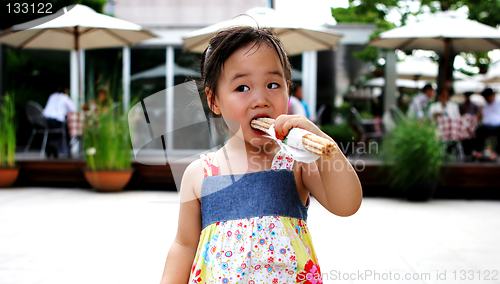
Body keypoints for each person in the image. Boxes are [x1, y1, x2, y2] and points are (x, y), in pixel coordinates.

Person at [159, 26, 362, 283]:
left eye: (273, 84)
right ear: (214, 101)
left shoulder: (296, 162)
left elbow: (347, 205)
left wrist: (322, 144)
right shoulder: (199, 174)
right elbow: (184, 245)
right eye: (242, 87)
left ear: (288, 90)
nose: (260, 99)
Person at [42, 87, 76, 158]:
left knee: (52, 134)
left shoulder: (52, 96)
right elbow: (73, 109)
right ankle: (67, 151)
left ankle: (52, 148)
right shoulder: (65, 98)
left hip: (46, 122)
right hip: (57, 122)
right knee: (66, 131)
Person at [472, 88, 500, 161]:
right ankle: (479, 151)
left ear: (492, 95)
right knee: (478, 130)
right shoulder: (484, 106)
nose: (486, 99)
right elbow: (478, 118)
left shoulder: (498, 103)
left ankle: (497, 153)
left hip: (497, 126)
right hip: (486, 127)